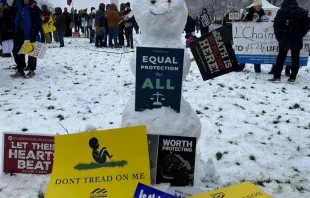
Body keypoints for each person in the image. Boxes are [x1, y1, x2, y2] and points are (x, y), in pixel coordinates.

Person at [270, 0, 309, 82]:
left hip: (285, 37)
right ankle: (293, 77)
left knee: (281, 57)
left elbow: (276, 25)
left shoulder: (282, 11)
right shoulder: (302, 12)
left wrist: (279, 37)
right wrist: (301, 34)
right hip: (297, 37)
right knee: (295, 57)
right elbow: (307, 25)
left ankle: (277, 76)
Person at [11, 0, 41, 78]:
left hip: (30, 33)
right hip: (19, 32)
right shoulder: (20, 7)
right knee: (17, 51)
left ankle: (31, 70)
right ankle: (20, 69)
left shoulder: (34, 8)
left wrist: (34, 32)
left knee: (31, 52)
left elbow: (38, 22)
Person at [240, 0, 266, 73]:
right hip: (248, 34)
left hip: (257, 35)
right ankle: (241, 65)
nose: (259, 8)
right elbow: (243, 20)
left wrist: (260, 20)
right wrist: (249, 21)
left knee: (257, 51)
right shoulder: (249, 11)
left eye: (260, 6)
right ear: (254, 6)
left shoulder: (262, 12)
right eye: (258, 6)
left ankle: (257, 68)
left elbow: (266, 20)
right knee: (245, 50)